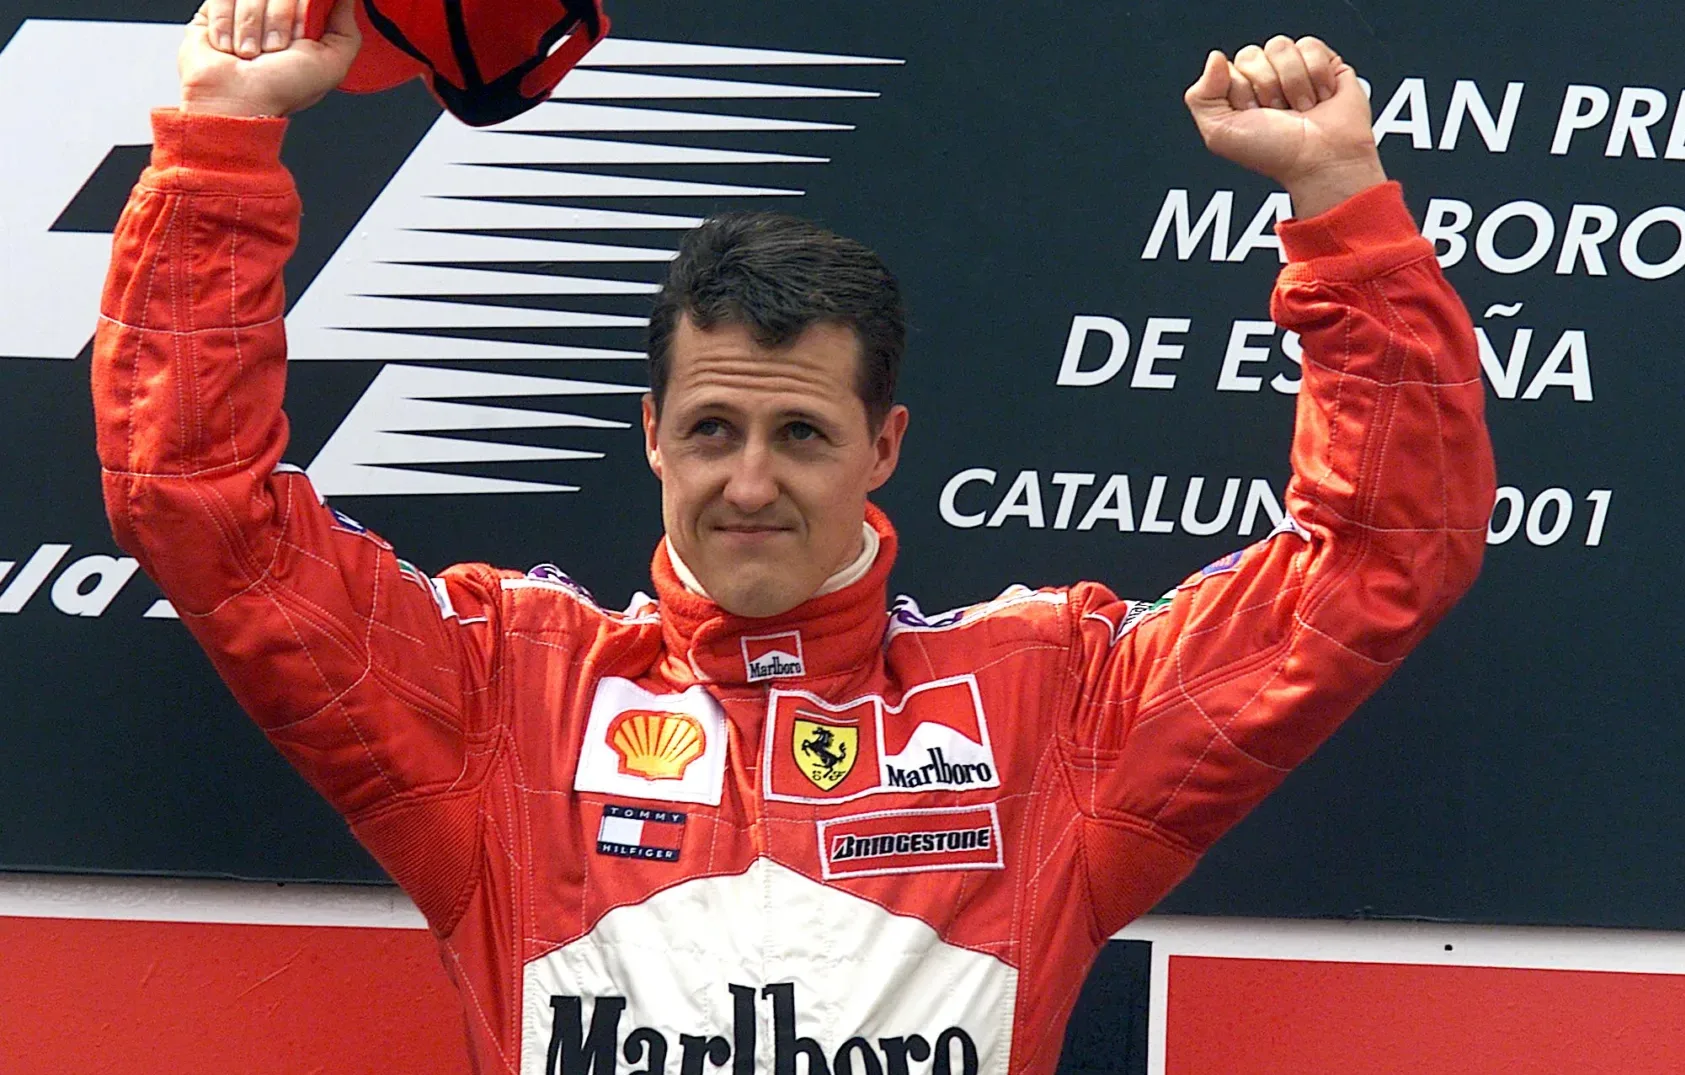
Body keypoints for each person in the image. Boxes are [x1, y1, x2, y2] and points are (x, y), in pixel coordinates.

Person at [93, 2, 1495, 1073]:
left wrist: (1341, 208)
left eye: (803, 435)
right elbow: (197, 500)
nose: (750, 482)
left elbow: (1381, 554)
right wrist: (224, 138)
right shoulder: (501, 698)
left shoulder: (1050, 712)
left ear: (883, 448)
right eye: (713, 429)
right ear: (652, 433)